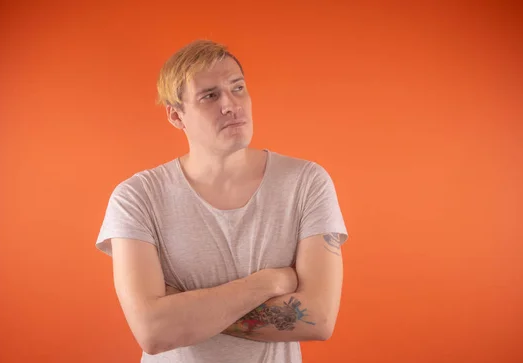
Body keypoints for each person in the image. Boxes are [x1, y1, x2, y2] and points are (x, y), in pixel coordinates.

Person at [95, 39, 348, 363]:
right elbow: (153, 332)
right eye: (209, 96)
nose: (231, 104)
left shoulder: (306, 183)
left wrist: (185, 312)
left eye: (238, 87)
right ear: (176, 116)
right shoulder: (136, 198)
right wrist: (269, 282)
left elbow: (318, 318)